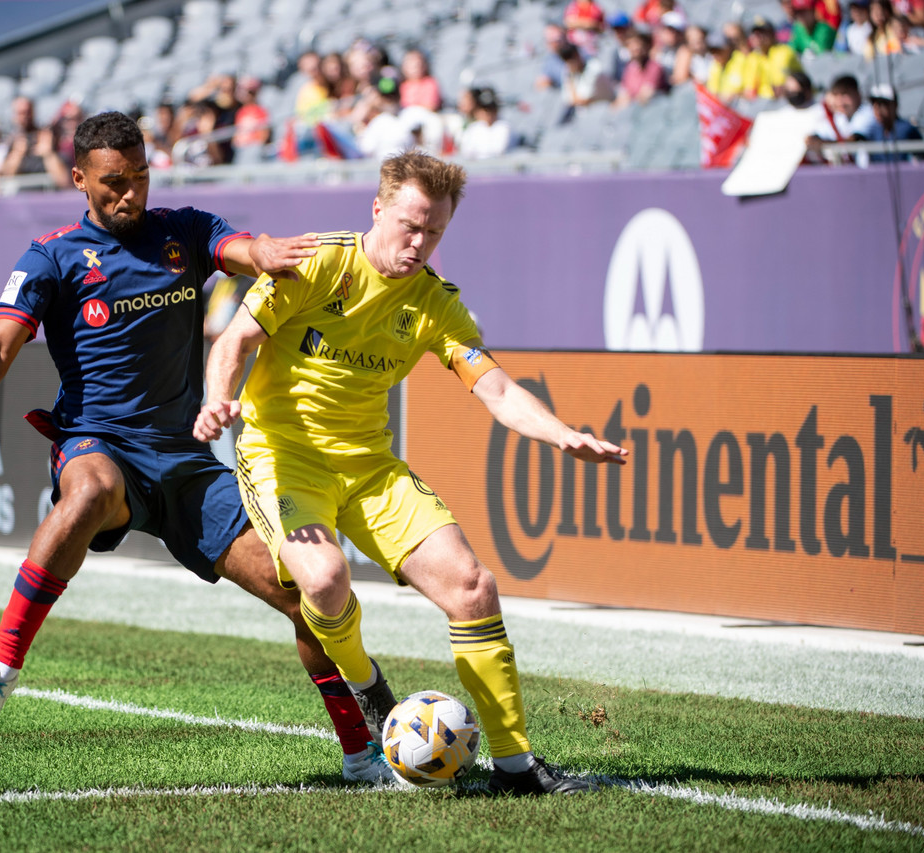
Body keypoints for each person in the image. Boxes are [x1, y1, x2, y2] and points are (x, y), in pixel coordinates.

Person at [0, 111, 395, 785]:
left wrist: (269, 254)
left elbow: (243, 251)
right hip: (99, 443)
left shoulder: (185, 231)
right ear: (79, 178)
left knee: (303, 590)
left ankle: (360, 753)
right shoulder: (50, 255)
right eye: (114, 182)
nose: (131, 194)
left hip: (189, 464)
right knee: (89, 492)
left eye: (140, 177)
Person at [194, 150, 628, 797]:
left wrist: (561, 432)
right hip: (281, 457)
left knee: (474, 587)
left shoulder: (434, 301)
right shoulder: (315, 263)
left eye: (435, 232)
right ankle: (369, 687)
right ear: (378, 208)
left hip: (370, 467)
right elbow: (235, 342)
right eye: (409, 225)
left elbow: (499, 389)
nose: (419, 243)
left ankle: (516, 766)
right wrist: (216, 400)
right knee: (325, 577)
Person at [864, 83, 924, 161]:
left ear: (895, 105)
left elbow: (923, 160)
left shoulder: (907, 129)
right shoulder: (872, 132)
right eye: (874, 103)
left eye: (883, 103)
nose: (877, 108)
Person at [457, 87, 512, 159]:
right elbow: (466, 151)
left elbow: (498, 150)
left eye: (491, 109)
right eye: (485, 110)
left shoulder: (504, 127)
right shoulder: (473, 128)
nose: (488, 114)